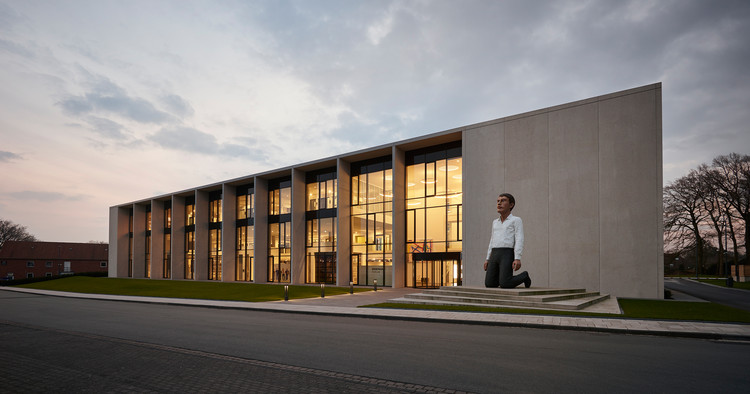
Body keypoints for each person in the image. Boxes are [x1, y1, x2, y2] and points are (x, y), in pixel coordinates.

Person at [484, 193, 531, 289]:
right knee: (490, 283)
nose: (499, 203)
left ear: (511, 205)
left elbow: (519, 239)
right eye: (498, 201)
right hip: (494, 253)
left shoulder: (516, 220)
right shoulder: (495, 222)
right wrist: (487, 258)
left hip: (507, 253)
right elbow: (492, 240)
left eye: (503, 200)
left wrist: (517, 258)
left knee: (505, 284)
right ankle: (503, 278)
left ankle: (524, 276)